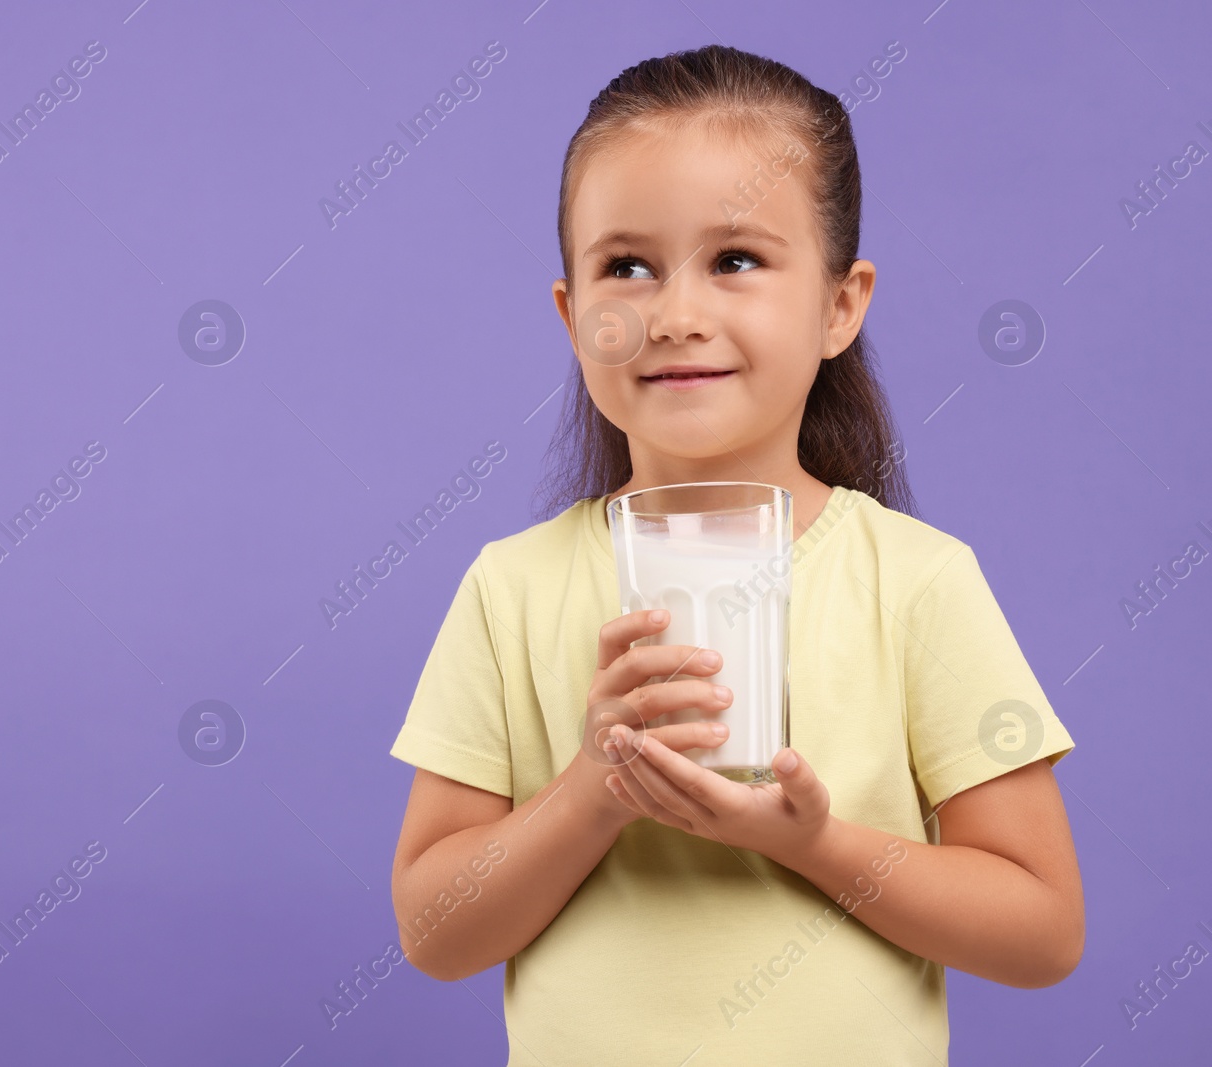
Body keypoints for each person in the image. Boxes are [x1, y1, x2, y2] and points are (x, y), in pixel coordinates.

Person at [387, 43, 1081, 1064]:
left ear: (840, 304)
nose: (675, 316)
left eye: (736, 259)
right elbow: (435, 933)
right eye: (626, 266)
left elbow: (1040, 929)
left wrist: (808, 842)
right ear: (575, 318)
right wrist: (592, 789)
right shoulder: (512, 587)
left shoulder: (916, 581)